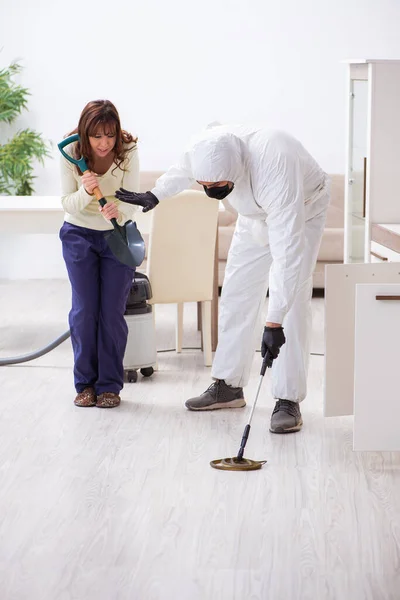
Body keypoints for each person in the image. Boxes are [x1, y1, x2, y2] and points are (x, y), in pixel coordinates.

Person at [115, 123, 330, 432]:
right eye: (206, 184)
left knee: (293, 300)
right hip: (253, 215)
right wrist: (156, 194)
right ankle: (228, 385)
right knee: (236, 292)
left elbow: (287, 254)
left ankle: (287, 399)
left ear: (237, 166)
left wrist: (273, 322)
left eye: (218, 183)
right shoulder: (205, 145)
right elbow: (183, 170)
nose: (211, 189)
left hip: (302, 210)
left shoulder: (275, 163)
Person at [60, 100, 139, 408]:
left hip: (117, 236)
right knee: (84, 311)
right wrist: (84, 189)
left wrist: (119, 208)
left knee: (111, 312)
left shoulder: (128, 149)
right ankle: (85, 384)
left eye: (110, 135)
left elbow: (133, 198)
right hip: (78, 235)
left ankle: (109, 386)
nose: (105, 143)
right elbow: (67, 203)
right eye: (97, 137)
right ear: (85, 135)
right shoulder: (71, 152)